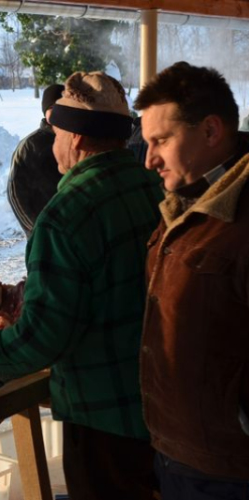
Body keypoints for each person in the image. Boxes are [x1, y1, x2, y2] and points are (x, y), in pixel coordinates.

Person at [0, 72, 163, 500]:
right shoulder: (154, 187)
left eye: (55, 132)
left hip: (102, 418)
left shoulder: (66, 214)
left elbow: (44, 335)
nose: (52, 143)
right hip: (163, 409)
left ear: (75, 138)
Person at [135, 61, 249, 499]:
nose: (149, 160)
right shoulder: (187, 204)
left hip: (229, 469)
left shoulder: (241, 220)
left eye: (160, 140)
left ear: (211, 131)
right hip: (181, 454)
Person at [7, 84, 64, 235]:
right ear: (45, 111)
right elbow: (15, 193)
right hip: (42, 231)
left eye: (62, 106)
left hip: (71, 233)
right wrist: (37, 230)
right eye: (52, 107)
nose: (58, 111)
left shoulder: (76, 141)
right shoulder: (30, 146)